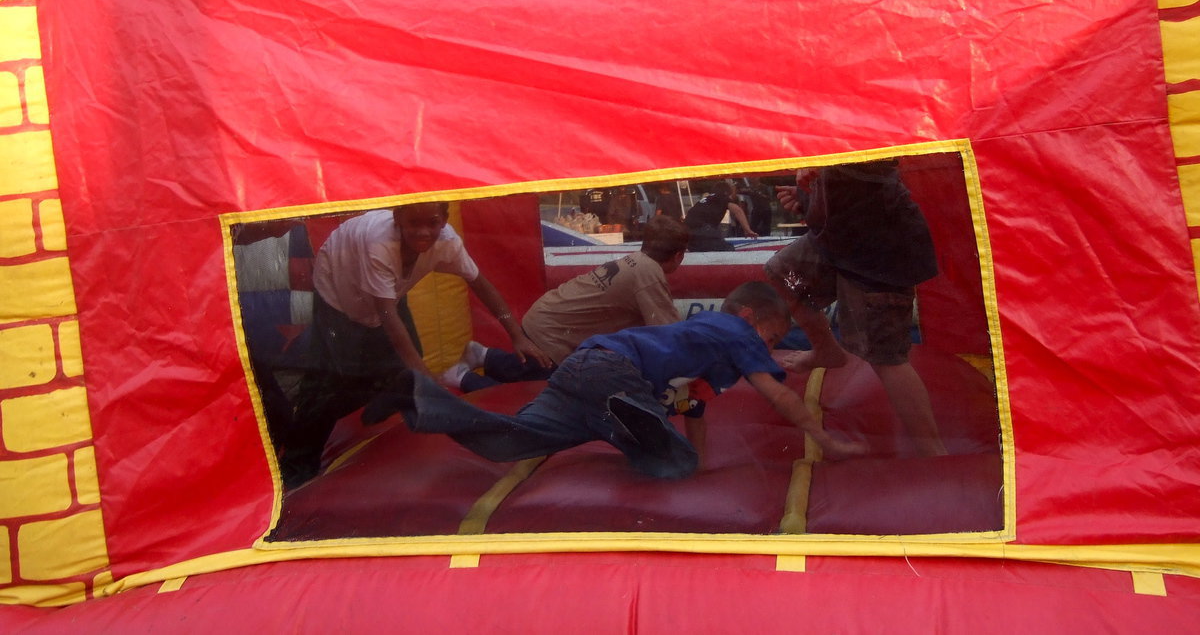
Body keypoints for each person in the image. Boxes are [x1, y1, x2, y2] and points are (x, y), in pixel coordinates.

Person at [367, 282, 864, 478]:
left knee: (507, 442)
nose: (770, 348)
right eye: (772, 337)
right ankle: (630, 416)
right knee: (659, 452)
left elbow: (694, 409)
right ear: (751, 317)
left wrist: (701, 465)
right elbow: (779, 394)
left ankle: (418, 397)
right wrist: (824, 440)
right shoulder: (734, 330)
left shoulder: (705, 355)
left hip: (584, 372)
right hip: (615, 374)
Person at [279, 202, 546, 488]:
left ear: (444, 220)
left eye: (432, 223)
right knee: (329, 381)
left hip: (386, 296)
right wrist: (423, 375)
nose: (423, 232)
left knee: (407, 366)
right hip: (339, 288)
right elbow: (387, 316)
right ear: (397, 220)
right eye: (413, 224)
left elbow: (480, 284)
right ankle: (297, 465)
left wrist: (516, 335)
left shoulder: (447, 243)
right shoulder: (379, 243)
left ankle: (382, 393)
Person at [766, 160, 947, 456]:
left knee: (884, 355)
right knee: (784, 274)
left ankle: (933, 451)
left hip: (882, 252)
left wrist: (819, 163)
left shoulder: (858, 146)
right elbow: (843, 199)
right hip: (841, 243)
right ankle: (826, 350)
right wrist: (807, 201)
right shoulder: (831, 147)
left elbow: (870, 171)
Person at [441, 216, 691, 391]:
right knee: (543, 396)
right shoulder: (649, 275)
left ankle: (484, 356)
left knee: (532, 372)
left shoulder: (636, 261)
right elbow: (668, 335)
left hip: (547, 317)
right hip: (552, 335)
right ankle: (462, 379)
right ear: (679, 255)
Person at [684, 181, 757, 251]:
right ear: (727, 192)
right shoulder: (722, 197)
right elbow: (737, 210)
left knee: (702, 247)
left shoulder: (707, 199)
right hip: (702, 228)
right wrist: (747, 230)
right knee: (727, 248)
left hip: (687, 231)